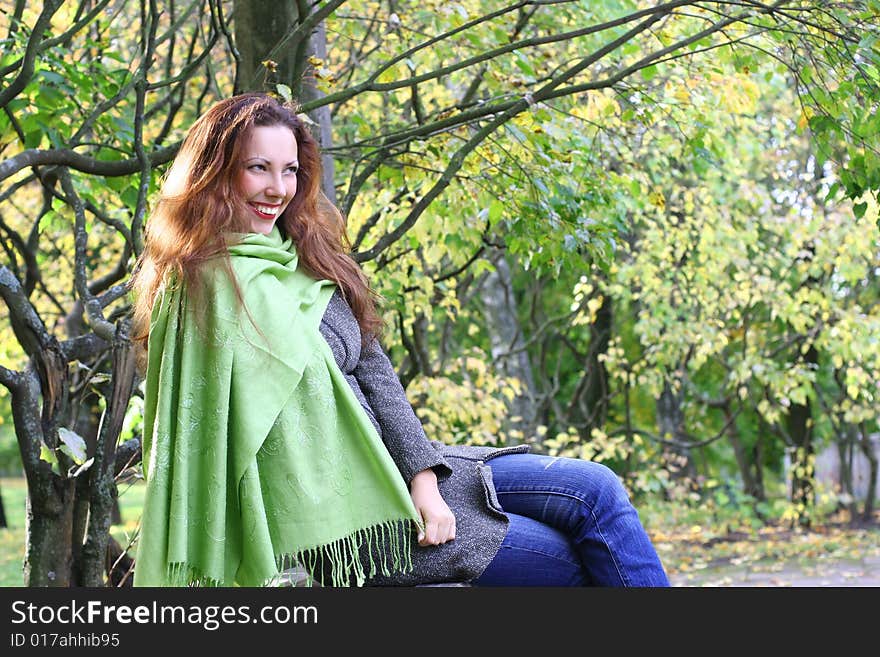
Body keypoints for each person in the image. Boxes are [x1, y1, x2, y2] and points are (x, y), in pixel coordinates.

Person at [129, 92, 670, 588]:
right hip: (352, 520)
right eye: (258, 169)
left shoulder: (302, 257)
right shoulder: (200, 288)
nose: (278, 189)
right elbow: (208, 444)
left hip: (410, 474)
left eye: (290, 170)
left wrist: (423, 480)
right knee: (567, 563)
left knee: (597, 490)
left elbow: (376, 374)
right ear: (216, 174)